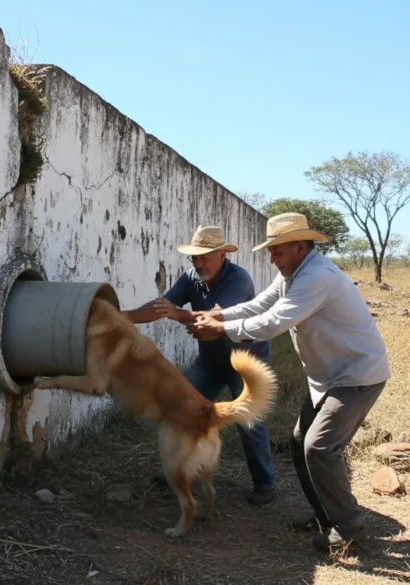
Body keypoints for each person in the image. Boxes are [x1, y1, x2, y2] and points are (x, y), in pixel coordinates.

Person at [188, 212, 391, 552]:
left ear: (299, 246)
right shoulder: (294, 272)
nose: (272, 258)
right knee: (300, 442)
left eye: (277, 250)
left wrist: (221, 328)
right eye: (271, 251)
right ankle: (325, 515)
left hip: (356, 375)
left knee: (320, 447)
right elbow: (261, 304)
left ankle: (350, 527)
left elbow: (275, 321)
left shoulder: (317, 277)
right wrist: (222, 314)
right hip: (329, 377)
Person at [121, 225, 279, 505]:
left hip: (244, 360)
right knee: (180, 410)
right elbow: (160, 307)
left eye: (205, 257)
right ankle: (178, 469)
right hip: (210, 361)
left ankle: (264, 483)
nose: (199, 263)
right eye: (195, 257)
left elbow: (216, 319)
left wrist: (178, 313)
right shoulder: (191, 277)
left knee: (248, 421)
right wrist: (123, 317)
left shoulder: (238, 279)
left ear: (221, 254)